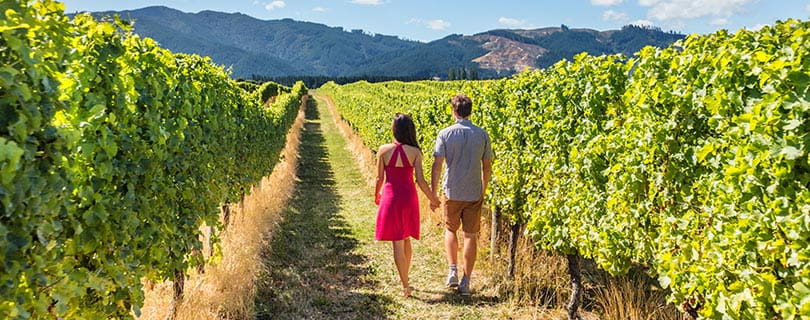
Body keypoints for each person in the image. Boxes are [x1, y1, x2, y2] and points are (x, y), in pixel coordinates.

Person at [430, 94, 493, 296]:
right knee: (470, 235)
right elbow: (487, 167)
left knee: (450, 230)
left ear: (453, 111)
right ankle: (466, 280)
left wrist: (433, 192)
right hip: (474, 190)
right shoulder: (482, 135)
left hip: (451, 190)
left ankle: (452, 271)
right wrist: (483, 188)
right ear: (470, 111)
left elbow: (437, 165)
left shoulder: (445, 134)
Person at [375, 113, 441, 297]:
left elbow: (379, 177)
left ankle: (405, 284)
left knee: (397, 241)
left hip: (390, 196)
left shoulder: (383, 150)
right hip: (408, 198)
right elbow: (420, 181)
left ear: (394, 129)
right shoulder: (415, 152)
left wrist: (376, 195)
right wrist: (433, 198)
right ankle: (406, 276)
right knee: (406, 237)